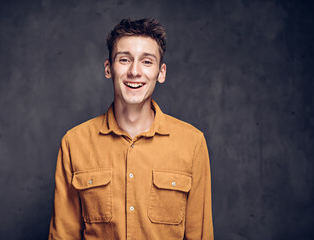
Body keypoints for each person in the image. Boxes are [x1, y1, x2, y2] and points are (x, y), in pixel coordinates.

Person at [48, 18, 214, 240]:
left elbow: (201, 236)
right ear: (108, 69)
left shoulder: (192, 143)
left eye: (147, 62)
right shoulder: (74, 142)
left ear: (161, 72)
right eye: (124, 59)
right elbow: (63, 236)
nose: (135, 71)